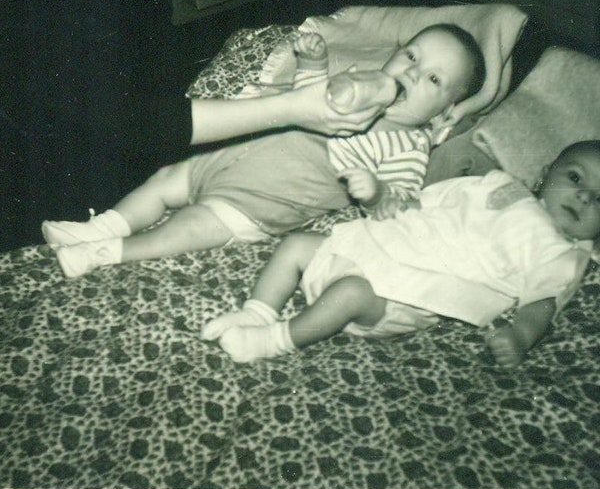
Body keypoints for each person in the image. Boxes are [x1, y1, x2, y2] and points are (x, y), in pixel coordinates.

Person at [42, 24, 485, 278]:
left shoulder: (408, 144)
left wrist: (375, 194)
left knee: (188, 226)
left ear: (444, 112)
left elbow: (401, 209)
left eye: (433, 80)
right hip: (228, 156)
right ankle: (97, 227)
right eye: (411, 56)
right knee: (163, 180)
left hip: (256, 203)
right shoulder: (359, 82)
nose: (412, 72)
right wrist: (314, 64)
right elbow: (306, 99)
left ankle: (106, 253)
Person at [202, 141, 600, 369]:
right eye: (575, 177)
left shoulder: (562, 254)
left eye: (599, 199)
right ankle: (257, 312)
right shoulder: (499, 184)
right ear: (546, 172)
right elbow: (430, 200)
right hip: (381, 245)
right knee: (296, 245)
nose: (584, 196)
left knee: (349, 293)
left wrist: (520, 337)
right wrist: (396, 203)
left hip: (406, 295)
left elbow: (540, 305)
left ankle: (272, 340)